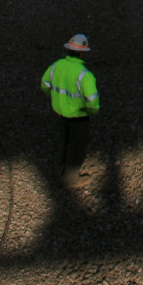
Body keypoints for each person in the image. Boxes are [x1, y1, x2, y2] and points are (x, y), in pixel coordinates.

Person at [41, 33, 100, 187]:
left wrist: (55, 98)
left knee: (64, 140)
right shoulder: (84, 75)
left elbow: (44, 84)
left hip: (61, 112)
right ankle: (71, 178)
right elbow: (93, 101)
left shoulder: (56, 66)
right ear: (81, 53)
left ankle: (61, 166)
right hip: (79, 116)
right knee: (77, 145)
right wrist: (92, 112)